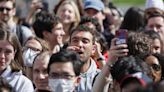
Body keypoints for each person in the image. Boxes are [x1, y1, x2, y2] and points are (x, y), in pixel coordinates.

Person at [68, 24, 100, 92]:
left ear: (93, 49)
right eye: (75, 40)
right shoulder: (58, 74)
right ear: (69, 44)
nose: (79, 45)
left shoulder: (100, 76)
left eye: (85, 41)